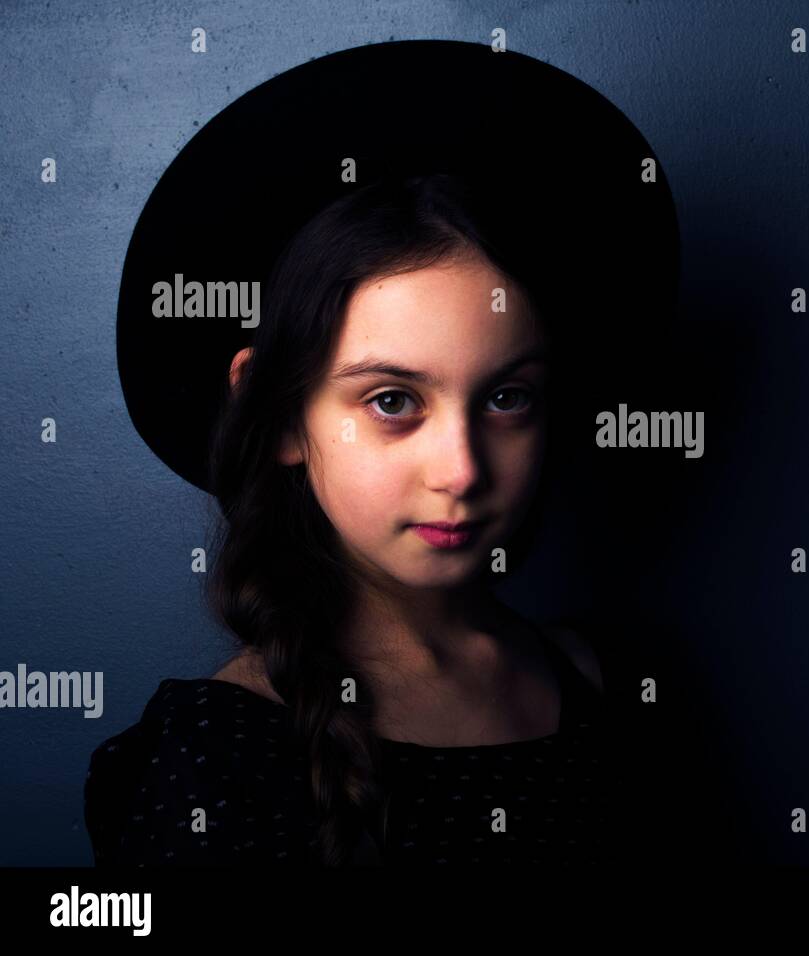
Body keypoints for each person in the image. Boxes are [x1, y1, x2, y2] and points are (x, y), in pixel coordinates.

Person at [85, 173, 619, 866]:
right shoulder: (210, 755)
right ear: (279, 414)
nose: (461, 471)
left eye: (507, 397)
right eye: (393, 402)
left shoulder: (594, 682)